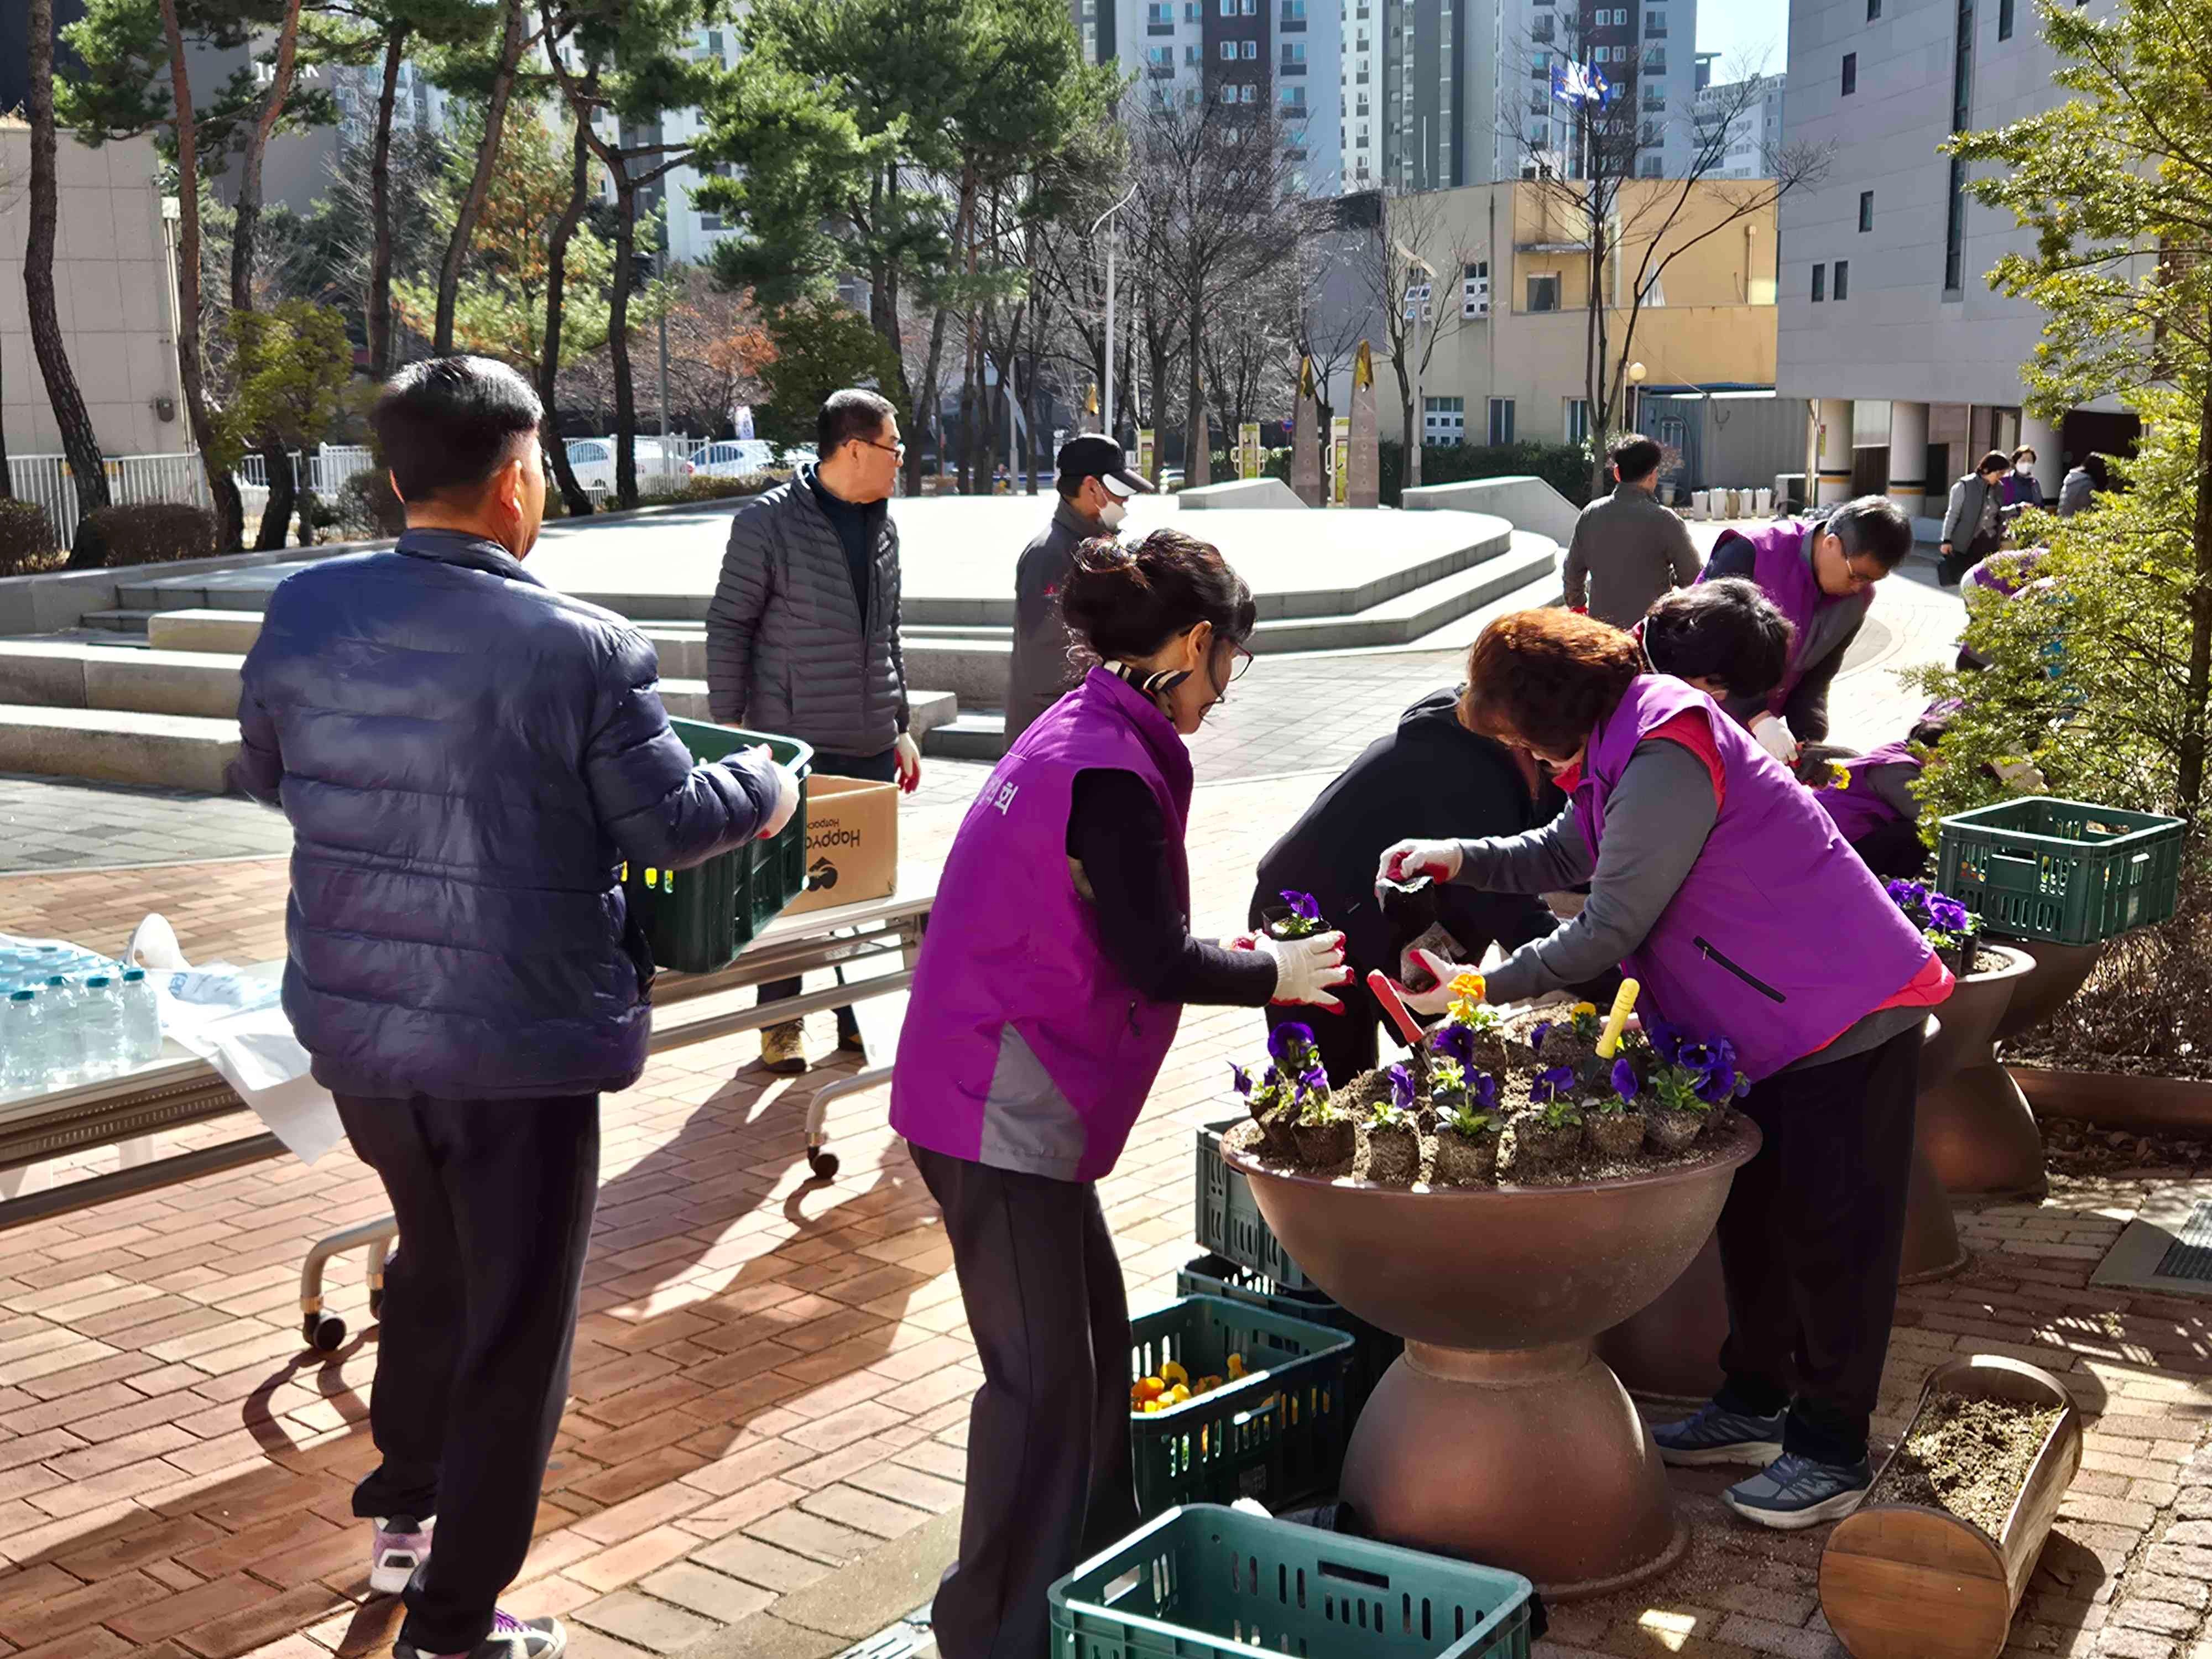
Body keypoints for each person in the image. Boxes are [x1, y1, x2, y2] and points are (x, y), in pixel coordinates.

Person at [232, 356, 797, 1659]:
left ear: (394, 478)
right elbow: (673, 817)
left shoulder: (306, 614)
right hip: (516, 1043)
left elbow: (268, 767)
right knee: (514, 1325)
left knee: (430, 1270)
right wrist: (766, 783)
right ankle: (454, 1622)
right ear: (519, 475)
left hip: (364, 1036)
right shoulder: (581, 646)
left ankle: (404, 1513)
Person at [1379, 609, 1950, 1529]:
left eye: (1524, 736)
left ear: (1558, 712)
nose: (1527, 755)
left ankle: (1832, 1450)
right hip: (1767, 1017)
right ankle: (1756, 1404)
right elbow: (1573, 847)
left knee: (1835, 1239)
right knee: (1759, 1222)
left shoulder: (1664, 748)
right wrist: (1461, 858)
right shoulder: (1622, 741)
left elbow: (1610, 925)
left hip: (1837, 1007)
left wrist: (1484, 989)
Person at [891, 529, 1350, 1659]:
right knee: (1039, 1390)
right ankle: (991, 1631)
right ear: (1196, 643)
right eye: (1229, 664)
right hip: (997, 1107)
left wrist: (1244, 956)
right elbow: (1151, 957)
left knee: (1088, 1363)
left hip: (1003, 1090)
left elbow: (1124, 928)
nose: (1223, 690)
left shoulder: (1086, 729)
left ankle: (1082, 1589)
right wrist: (1271, 973)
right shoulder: (1106, 767)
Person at [707, 388, 922, 1074]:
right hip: (793, 740)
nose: (900, 461)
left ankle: (855, 1015)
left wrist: (901, 723)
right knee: (784, 891)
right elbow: (729, 625)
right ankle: (779, 1024)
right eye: (894, 447)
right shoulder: (767, 523)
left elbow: (888, 631)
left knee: (859, 888)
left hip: (868, 740)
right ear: (854, 447)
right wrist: (733, 729)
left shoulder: (885, 524)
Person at [1698, 494, 1916, 763]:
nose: (1859, 587)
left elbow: (1816, 677)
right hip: (1698, 718)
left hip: (1758, 739)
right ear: (1831, 544)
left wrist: (1809, 737)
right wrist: (1756, 714)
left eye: (1872, 580)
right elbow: (1702, 643)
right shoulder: (1752, 551)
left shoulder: (1858, 600)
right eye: (1856, 575)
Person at [1004, 433, 1155, 743]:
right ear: (1091, 487)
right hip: (1054, 739)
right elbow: (1047, 666)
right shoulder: (1050, 554)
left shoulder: (1096, 545)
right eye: (1120, 492)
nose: (1126, 502)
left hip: (1079, 728)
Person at [1562, 432, 1703, 628]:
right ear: (1653, 475)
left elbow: (1572, 572)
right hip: (1650, 636)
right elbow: (1694, 578)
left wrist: (1578, 607)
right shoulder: (1666, 521)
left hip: (1603, 636)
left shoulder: (1590, 514)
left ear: (1617, 473)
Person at [1798, 742, 1929, 881]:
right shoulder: (1888, 766)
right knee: (1916, 833)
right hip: (1847, 853)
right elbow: (1921, 815)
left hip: (1839, 849)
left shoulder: (1885, 757)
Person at [1938, 450, 2012, 587]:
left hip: (1989, 542)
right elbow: (1953, 514)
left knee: (1987, 583)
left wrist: (2017, 509)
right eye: (1998, 473)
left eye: (2003, 474)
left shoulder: (1999, 488)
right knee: (1967, 582)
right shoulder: (1964, 486)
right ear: (1986, 469)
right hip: (1967, 544)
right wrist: (1946, 540)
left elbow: (1999, 513)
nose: (2000, 477)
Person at [2002, 444, 2044, 516]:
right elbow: (1997, 510)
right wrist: (2018, 508)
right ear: (2015, 462)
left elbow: (2041, 507)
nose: (2026, 464)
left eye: (2030, 461)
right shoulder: (2005, 481)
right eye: (2023, 461)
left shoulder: (2034, 483)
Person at [2057, 454, 2103, 518]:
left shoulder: (2070, 479)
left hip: (2062, 521)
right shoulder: (2087, 485)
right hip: (2075, 523)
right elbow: (2086, 510)